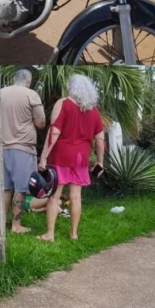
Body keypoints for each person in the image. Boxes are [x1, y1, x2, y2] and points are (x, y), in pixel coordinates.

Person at [37, 74, 106, 242]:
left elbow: (54, 132)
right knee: (76, 197)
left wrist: (43, 158)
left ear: (72, 87)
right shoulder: (93, 110)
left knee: (54, 196)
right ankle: (74, 234)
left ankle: (50, 234)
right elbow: (100, 139)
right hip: (81, 157)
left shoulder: (64, 103)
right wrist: (99, 161)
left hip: (61, 155)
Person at [1, 68, 46, 234]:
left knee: (6, 188)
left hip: (3, 147)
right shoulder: (31, 94)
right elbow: (41, 122)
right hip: (23, 148)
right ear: (28, 81)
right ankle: (16, 225)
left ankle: (0, 223)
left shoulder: (0, 93)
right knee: (20, 189)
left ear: (14, 78)